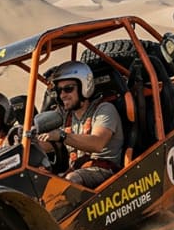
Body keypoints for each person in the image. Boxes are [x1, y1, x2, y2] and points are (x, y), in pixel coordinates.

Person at [39, 60, 124, 188]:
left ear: (84, 87)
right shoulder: (64, 115)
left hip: (105, 172)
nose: (63, 95)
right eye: (59, 90)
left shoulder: (104, 109)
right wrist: (29, 141)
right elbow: (48, 143)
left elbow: (97, 143)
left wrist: (62, 136)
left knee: (71, 179)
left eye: (68, 89)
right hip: (75, 171)